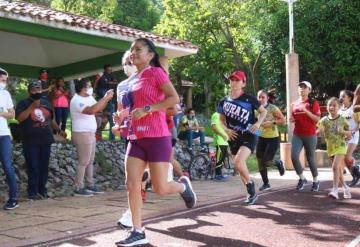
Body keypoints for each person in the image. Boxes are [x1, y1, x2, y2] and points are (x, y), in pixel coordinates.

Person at [115, 38, 196, 247]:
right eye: (132, 50)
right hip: (135, 138)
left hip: (157, 136)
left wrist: (149, 109)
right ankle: (137, 231)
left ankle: (182, 187)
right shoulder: (131, 80)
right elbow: (132, 107)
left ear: (150, 55)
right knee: (131, 184)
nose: (133, 53)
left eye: (138, 49)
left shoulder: (156, 73)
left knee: (160, 188)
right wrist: (122, 116)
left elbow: (174, 99)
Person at [217, 70, 267, 205]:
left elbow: (263, 112)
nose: (234, 82)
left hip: (249, 134)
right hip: (233, 136)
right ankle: (251, 193)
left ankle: (251, 187)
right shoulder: (223, 101)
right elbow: (221, 120)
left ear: (243, 83)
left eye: (237, 80)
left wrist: (258, 124)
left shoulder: (249, 99)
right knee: (239, 167)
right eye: (232, 80)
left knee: (239, 162)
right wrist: (226, 130)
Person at [16, 80, 66, 200]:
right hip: (30, 140)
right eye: (34, 90)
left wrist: (59, 130)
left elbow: (50, 120)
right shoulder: (23, 103)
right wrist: (31, 107)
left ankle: (42, 190)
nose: (37, 91)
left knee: (44, 166)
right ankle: (32, 192)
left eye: (38, 89)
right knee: (33, 166)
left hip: (45, 139)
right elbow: (19, 118)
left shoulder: (46, 102)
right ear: (29, 92)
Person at [70, 78, 114, 196]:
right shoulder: (76, 100)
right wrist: (105, 98)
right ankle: (78, 187)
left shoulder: (88, 97)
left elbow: (98, 107)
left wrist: (106, 98)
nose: (91, 88)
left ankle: (90, 184)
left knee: (90, 160)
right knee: (83, 161)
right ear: (82, 88)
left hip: (90, 132)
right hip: (82, 133)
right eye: (89, 86)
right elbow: (91, 110)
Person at [317, 97, 351, 199]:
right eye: (329, 105)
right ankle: (345, 187)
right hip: (330, 147)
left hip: (341, 147)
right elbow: (318, 131)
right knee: (338, 170)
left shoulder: (342, 120)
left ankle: (335, 190)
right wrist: (318, 131)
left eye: (334, 105)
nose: (331, 107)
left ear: (339, 107)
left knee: (335, 167)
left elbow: (349, 135)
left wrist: (342, 132)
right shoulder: (323, 120)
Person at [290, 81, 321, 191]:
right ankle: (302, 178)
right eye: (300, 87)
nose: (301, 89)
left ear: (309, 90)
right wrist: (292, 120)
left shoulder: (313, 103)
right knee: (294, 156)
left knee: (310, 158)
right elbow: (293, 118)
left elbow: (317, 120)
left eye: (304, 87)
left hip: (310, 135)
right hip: (297, 134)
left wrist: (306, 111)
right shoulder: (293, 104)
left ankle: (316, 181)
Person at [256, 90, 286, 191]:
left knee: (267, 161)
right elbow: (256, 123)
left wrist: (272, 123)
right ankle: (266, 184)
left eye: (262, 97)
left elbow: (283, 120)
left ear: (267, 98)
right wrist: (257, 135)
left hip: (272, 138)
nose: (260, 99)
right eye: (259, 97)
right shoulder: (255, 108)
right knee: (260, 161)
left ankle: (278, 163)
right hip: (261, 137)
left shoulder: (273, 108)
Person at [0, 68, 19, 210]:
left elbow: (12, 114)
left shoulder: (5, 94)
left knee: (7, 165)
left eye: (5, 81)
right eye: (2, 80)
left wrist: (1, 112)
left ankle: (13, 198)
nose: (4, 83)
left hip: (3, 135)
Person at [338, 90, 360, 187]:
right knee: (344, 159)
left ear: (350, 98)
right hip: (343, 137)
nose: (341, 98)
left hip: (354, 135)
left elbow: (359, 124)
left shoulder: (353, 108)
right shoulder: (339, 110)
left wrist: (352, 132)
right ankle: (356, 175)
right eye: (340, 96)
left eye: (343, 96)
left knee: (347, 156)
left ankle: (357, 171)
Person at [94, 64, 117, 141]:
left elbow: (114, 82)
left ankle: (112, 139)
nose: (109, 72)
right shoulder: (101, 75)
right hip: (102, 100)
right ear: (105, 70)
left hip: (110, 101)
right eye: (108, 70)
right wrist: (110, 83)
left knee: (112, 121)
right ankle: (97, 138)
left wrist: (110, 83)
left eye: (110, 70)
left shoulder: (112, 75)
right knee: (99, 121)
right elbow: (103, 84)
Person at [210, 111, 229, 181]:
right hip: (219, 141)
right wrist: (222, 135)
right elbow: (213, 127)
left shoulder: (223, 115)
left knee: (222, 159)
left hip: (224, 141)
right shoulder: (216, 115)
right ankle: (217, 175)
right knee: (219, 158)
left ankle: (220, 174)